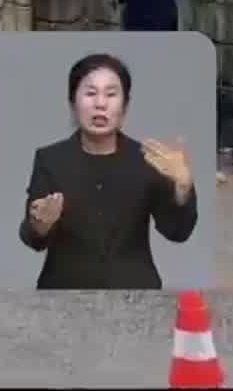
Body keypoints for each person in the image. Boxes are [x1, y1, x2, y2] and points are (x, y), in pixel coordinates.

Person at [20, 53, 197, 290]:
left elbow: (176, 232)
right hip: (64, 292)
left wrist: (183, 188)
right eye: (90, 93)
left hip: (135, 292)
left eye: (111, 94)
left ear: (124, 106)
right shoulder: (50, 159)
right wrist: (41, 224)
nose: (100, 104)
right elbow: (33, 238)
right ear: (73, 103)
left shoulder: (146, 159)